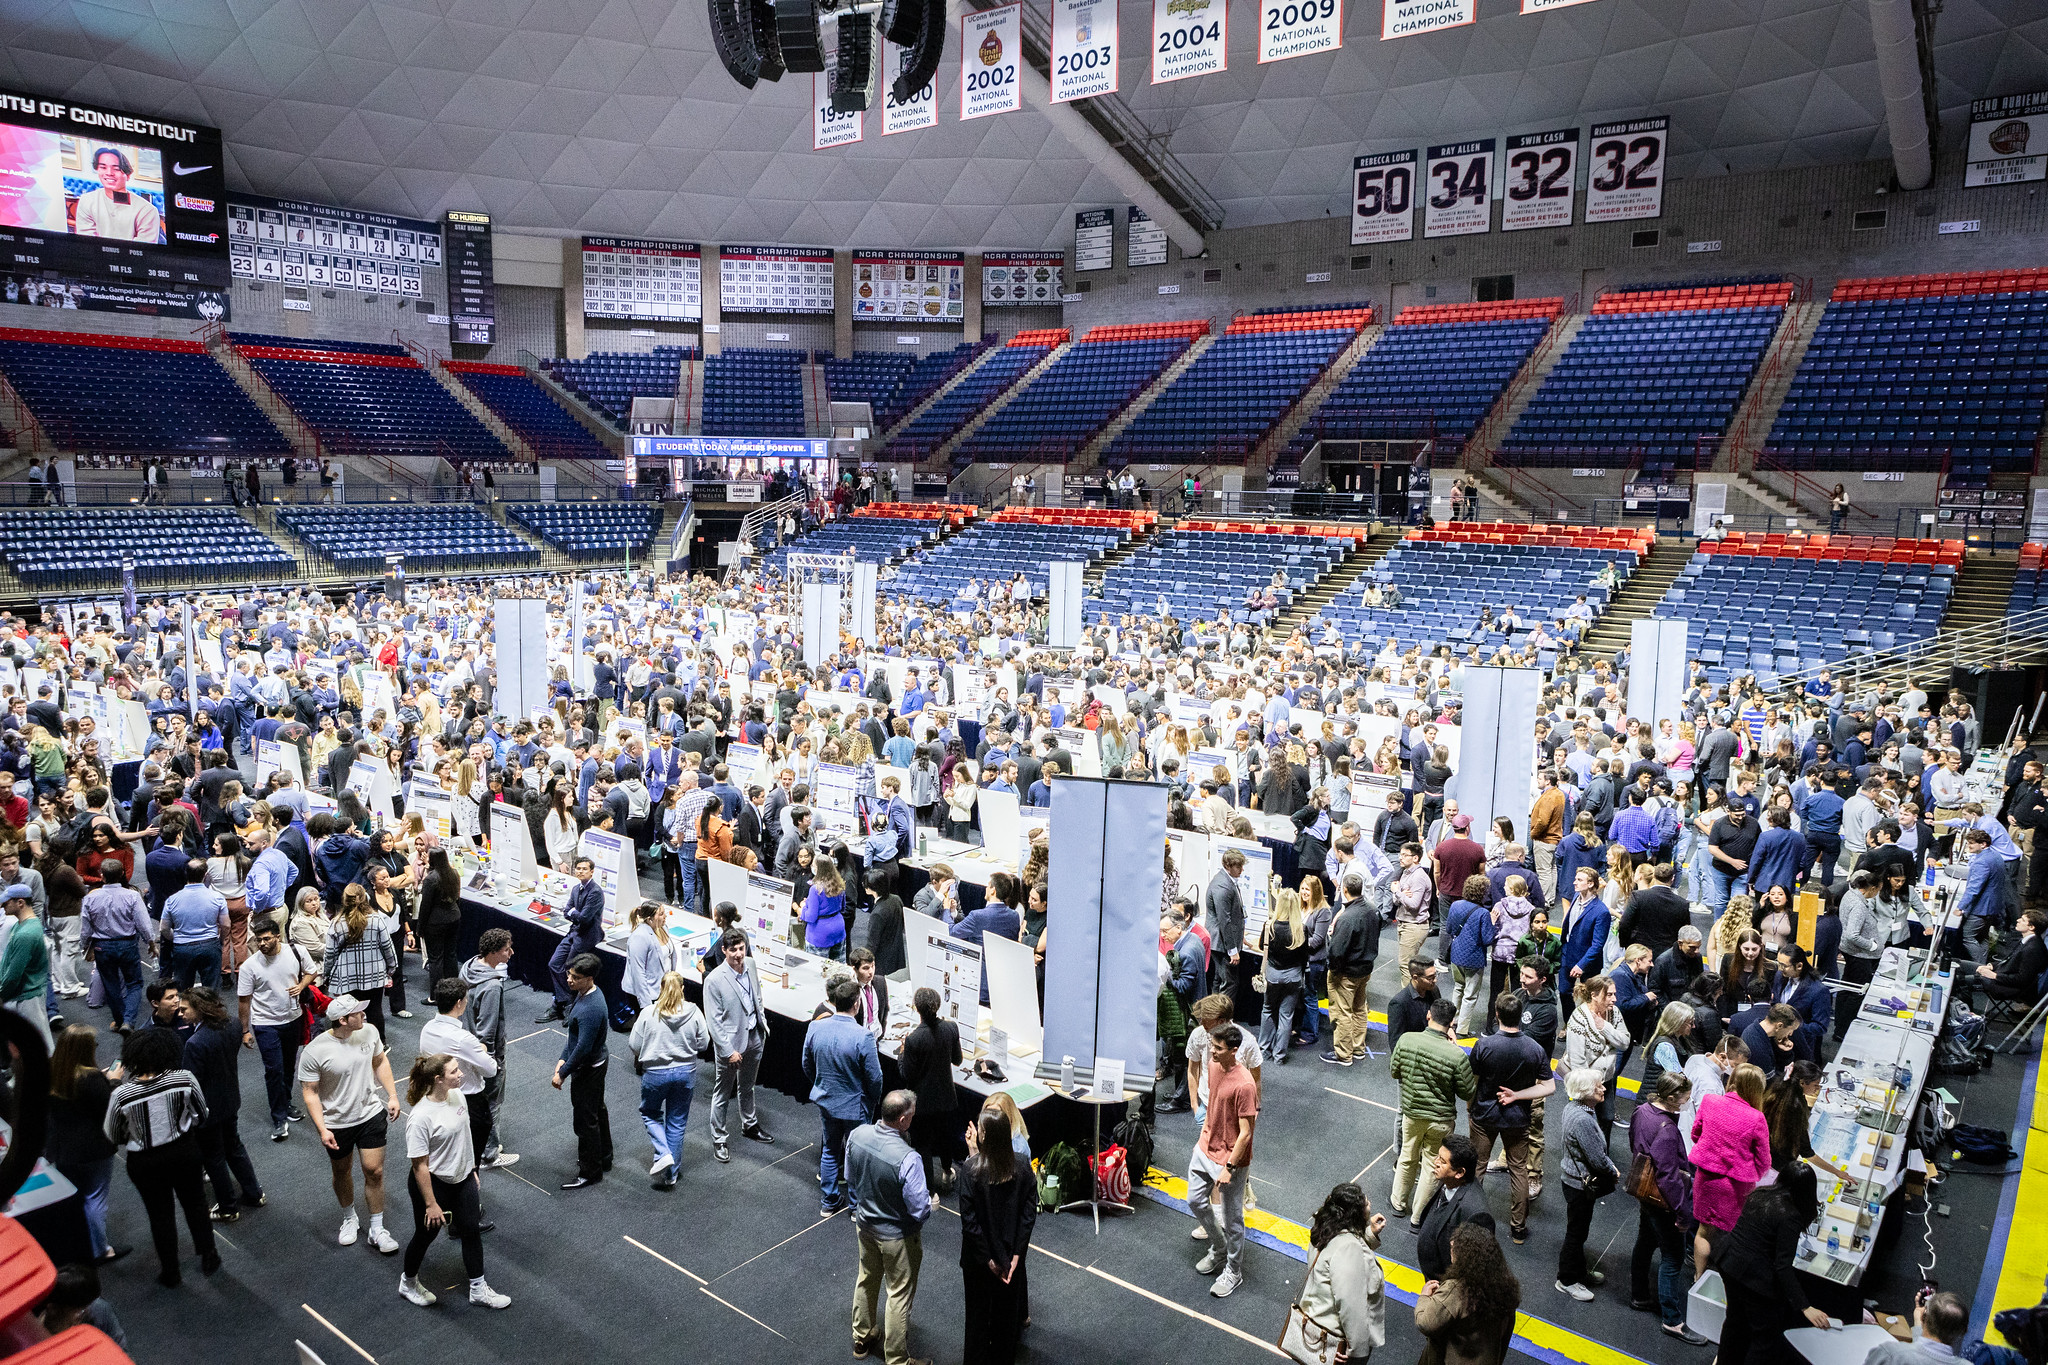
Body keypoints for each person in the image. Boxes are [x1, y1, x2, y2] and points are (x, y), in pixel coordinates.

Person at [104, 1026, 220, 1287]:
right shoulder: (184, 1079)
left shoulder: (121, 1094)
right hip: (184, 1151)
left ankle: (171, 1271)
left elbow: (112, 1133)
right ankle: (209, 1255)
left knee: (160, 1214)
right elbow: (202, 1113)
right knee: (196, 1204)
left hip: (144, 1162)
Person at [397, 1052, 511, 1310]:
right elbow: (420, 1165)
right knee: (427, 1234)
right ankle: (408, 1282)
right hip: (433, 1184)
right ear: (438, 1079)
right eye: (454, 1072)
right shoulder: (421, 1117)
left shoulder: (457, 1096)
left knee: (471, 1229)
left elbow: (465, 1136)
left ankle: (478, 1288)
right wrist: (430, 1204)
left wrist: (471, 1169)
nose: (461, 1074)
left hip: (462, 1178)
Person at [298, 993, 403, 1252]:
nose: (363, 1016)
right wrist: (322, 1129)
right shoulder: (315, 1051)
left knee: (374, 1171)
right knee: (342, 1172)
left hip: (370, 1115)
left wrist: (392, 1094)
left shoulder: (369, 1032)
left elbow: (380, 1061)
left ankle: (377, 1228)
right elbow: (309, 1092)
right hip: (337, 1123)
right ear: (343, 1020)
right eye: (357, 1013)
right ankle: (349, 1218)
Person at [1711, 1164, 1831, 1362]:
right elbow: (1783, 1267)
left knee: (1735, 1320)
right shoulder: (1790, 1215)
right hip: (1753, 1277)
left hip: (1728, 1261)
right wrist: (1805, 1307)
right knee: (1764, 1337)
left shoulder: (1760, 1195)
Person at [847, 1089, 933, 1365]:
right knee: (898, 1295)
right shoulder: (909, 1158)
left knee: (867, 1277)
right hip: (897, 1237)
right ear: (904, 1119)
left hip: (865, 1225)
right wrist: (933, 1205)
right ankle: (896, 1358)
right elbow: (919, 1209)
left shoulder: (856, 1135)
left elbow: (851, 1178)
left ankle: (862, 1337)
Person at [1466, 992, 1554, 1243]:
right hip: (1517, 1118)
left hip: (1484, 1115)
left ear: (1496, 1015)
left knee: (1478, 1167)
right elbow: (1549, 1087)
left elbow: (1473, 1081)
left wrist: (1471, 1108)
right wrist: (1517, 1096)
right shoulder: (1534, 1048)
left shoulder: (1484, 1045)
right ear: (1521, 1016)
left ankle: (1472, 1220)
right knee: (1519, 1171)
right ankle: (1518, 1228)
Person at [418, 974, 513, 1198]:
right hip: (469, 1101)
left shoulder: (427, 1029)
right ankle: (467, 1208)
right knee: (468, 1161)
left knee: (448, 1155)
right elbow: (490, 1069)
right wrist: (480, 1049)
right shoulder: (463, 1038)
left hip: (437, 1097)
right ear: (460, 1003)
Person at [1629, 1070, 1707, 1343]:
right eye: (1686, 1098)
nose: (1688, 1102)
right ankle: (1672, 1320)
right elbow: (1668, 1177)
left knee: (1645, 1242)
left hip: (1644, 1191)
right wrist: (1683, 1213)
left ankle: (1639, 1295)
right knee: (1672, 1259)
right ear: (1673, 1098)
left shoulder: (1641, 1111)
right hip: (1664, 1202)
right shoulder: (1668, 1130)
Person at [957, 1102, 1038, 1365]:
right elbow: (1028, 1216)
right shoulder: (1023, 1167)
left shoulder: (970, 1171)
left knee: (977, 1321)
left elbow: (970, 1224)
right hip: (1010, 1262)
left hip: (979, 1263)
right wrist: (1016, 1255)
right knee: (1006, 1323)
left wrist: (988, 1260)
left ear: (984, 1136)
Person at [1390, 997, 1478, 1225]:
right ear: (1452, 1024)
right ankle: (1418, 1217)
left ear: (1429, 1015)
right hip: (1440, 1119)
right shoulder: (1455, 1055)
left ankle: (1398, 1203)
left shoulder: (1406, 1040)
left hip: (1411, 1114)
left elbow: (1394, 1071)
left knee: (1407, 1156)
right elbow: (1467, 1091)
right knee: (1432, 1165)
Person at [180, 986, 264, 1222]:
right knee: (234, 1147)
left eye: (185, 1009)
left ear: (200, 1008)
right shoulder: (234, 1025)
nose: (181, 1012)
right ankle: (254, 1193)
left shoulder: (195, 1043)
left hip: (207, 1109)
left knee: (213, 1157)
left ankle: (227, 1207)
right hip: (230, 1099)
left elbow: (190, 1083)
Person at [1188, 1023, 1259, 1299]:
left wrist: (1230, 1167)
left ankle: (1233, 1270)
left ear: (1234, 1050)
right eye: (1212, 1046)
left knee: (1232, 1220)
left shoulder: (1245, 1085)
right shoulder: (1214, 1065)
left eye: (1218, 1048)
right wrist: (1204, 1132)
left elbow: (1246, 1133)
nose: (1213, 1052)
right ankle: (1218, 1248)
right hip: (1205, 1147)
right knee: (1194, 1200)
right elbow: (1214, 1104)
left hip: (1230, 1159)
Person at [47, 1024, 127, 1265]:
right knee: (96, 1198)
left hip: (63, 1149)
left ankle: (76, 1243)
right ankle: (100, 1250)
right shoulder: (92, 1080)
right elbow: (110, 1108)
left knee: (75, 1197)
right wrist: (112, 1082)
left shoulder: (53, 1072)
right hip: (94, 1150)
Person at [808, 973, 886, 1216]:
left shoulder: (815, 1027)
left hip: (826, 1100)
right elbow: (875, 1077)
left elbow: (806, 1064)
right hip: (856, 1105)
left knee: (830, 1150)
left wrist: (821, 1084)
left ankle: (829, 1202)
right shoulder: (863, 1036)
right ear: (856, 1004)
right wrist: (872, 1100)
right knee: (855, 1155)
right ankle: (855, 1208)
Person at [629, 970, 711, 1191]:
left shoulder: (648, 1013)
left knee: (650, 1113)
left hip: (655, 1074)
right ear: (683, 989)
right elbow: (704, 1044)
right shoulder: (694, 1013)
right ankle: (671, 1175)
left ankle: (663, 1152)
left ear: (661, 989)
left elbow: (634, 1045)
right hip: (686, 1073)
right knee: (677, 1122)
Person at [1288, 1183, 1386, 1365]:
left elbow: (1339, 1251)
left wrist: (1368, 1235)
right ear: (1355, 1215)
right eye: (1366, 1204)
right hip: (1334, 1337)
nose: (1369, 1205)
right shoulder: (1348, 1248)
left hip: (1315, 1320)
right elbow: (1351, 1305)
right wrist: (1357, 1352)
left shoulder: (1323, 1229)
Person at [1688, 1062, 1770, 1274]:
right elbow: (1764, 1160)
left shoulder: (1710, 1101)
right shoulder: (1756, 1117)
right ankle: (1722, 1280)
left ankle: (1698, 1276)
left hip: (1706, 1177)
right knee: (1730, 1233)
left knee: (1703, 1231)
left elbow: (1696, 1133)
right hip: (1736, 1185)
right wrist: (1755, 1174)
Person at [238, 915, 313, 1141]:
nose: (262, 944)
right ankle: (278, 1117)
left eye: (266, 939)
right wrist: (245, 1030)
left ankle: (286, 1102)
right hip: (265, 1024)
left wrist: (301, 985)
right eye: (258, 940)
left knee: (289, 1066)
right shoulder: (249, 966)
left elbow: (311, 972)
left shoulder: (295, 952)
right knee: (274, 1069)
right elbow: (244, 1000)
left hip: (293, 1018)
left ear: (278, 937)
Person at [704, 928, 775, 1163]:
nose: (738, 954)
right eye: (732, 949)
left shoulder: (751, 965)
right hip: (730, 1046)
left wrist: (762, 1024)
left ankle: (749, 1124)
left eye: (741, 948)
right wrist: (728, 1050)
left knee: (748, 1086)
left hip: (755, 1036)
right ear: (723, 950)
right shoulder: (714, 979)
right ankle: (719, 1138)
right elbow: (713, 1022)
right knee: (722, 1092)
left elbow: (758, 997)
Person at [1414, 1223, 1521, 1365]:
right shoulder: (1504, 1288)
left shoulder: (1456, 1290)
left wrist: (1424, 1298)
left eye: (1453, 1249)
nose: (1450, 1252)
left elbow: (1426, 1323)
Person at [1554, 1066, 1618, 1303]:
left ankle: (1578, 1271)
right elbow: (1597, 1158)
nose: (1603, 1088)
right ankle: (1567, 1279)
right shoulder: (1583, 1119)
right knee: (1576, 1233)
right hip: (1579, 1184)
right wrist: (1613, 1170)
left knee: (1579, 1231)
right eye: (1598, 1086)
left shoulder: (1576, 1108)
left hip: (1572, 1180)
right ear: (1585, 1092)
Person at [552, 952, 613, 1189]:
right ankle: (604, 1158)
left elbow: (583, 1048)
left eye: (575, 977)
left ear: (589, 978)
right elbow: (574, 1039)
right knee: (597, 1111)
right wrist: (562, 1059)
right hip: (595, 1063)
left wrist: (563, 1071)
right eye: (569, 974)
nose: (569, 980)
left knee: (585, 1121)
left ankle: (590, 1171)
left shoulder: (590, 1008)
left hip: (589, 1069)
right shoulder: (586, 995)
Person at [895, 984, 961, 1197]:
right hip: (946, 1097)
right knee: (944, 1138)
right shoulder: (951, 1028)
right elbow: (958, 1060)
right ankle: (946, 1172)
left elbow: (907, 1075)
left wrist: (902, 1053)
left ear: (917, 1009)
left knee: (923, 1145)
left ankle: (930, 1193)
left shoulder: (914, 1039)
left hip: (922, 1102)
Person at [461, 929, 518, 1169]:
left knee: (475, 1102)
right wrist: (492, 1062)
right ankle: (490, 1153)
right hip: (486, 1053)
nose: (511, 953)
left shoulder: (469, 966)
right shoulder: (492, 986)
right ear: (494, 952)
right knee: (491, 1103)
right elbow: (488, 1029)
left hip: (466, 1046)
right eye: (506, 949)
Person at [1562, 974, 1628, 1137]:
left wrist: (1604, 1027)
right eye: (1609, 994)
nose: (1614, 999)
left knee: (1607, 1118)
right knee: (1585, 1122)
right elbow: (1578, 1062)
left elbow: (1625, 1042)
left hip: (1607, 1079)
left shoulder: (1614, 1013)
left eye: (1614, 994)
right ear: (1594, 995)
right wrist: (1590, 1091)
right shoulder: (1579, 1019)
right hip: (1586, 1083)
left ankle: (1601, 1156)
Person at [1415, 1134, 1489, 1282]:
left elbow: (1472, 1269)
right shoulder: (1450, 1182)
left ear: (1460, 1172)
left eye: (1442, 1162)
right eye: (1437, 1157)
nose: (1435, 1162)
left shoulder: (1476, 1213)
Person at [542, 856, 604, 1022]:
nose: (580, 871)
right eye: (578, 868)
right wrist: (573, 913)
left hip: (588, 935)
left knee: (569, 968)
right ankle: (566, 1001)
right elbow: (566, 910)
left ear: (592, 872)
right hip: (573, 932)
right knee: (554, 963)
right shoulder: (576, 888)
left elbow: (584, 918)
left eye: (584, 869)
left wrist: (573, 913)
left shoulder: (596, 892)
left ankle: (562, 1004)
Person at [1258, 888, 1312, 1064]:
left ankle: (1263, 1050)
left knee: (1267, 1010)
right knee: (1286, 1015)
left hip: (1272, 975)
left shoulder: (1269, 926)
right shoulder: (1301, 929)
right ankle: (1279, 1056)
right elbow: (1305, 957)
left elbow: (1261, 947)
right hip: (1293, 976)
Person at [1862, 1291, 1971, 1365]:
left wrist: (1920, 1321)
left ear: (1924, 1317)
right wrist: (1919, 1324)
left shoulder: (1891, 1354)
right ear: (1963, 1331)